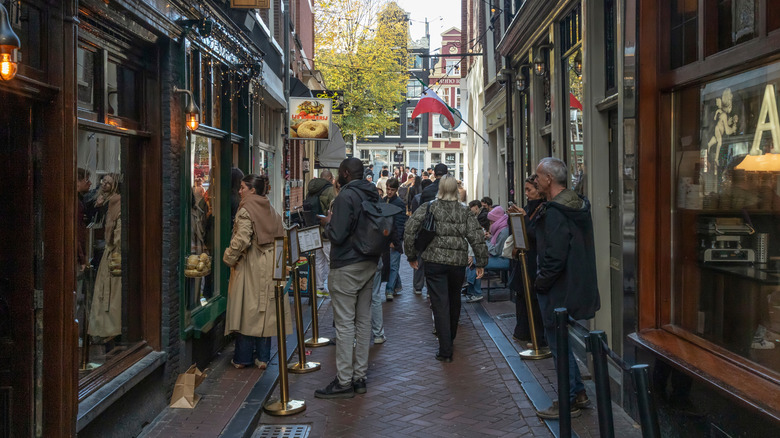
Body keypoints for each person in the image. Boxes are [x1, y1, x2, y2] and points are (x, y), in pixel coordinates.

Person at [533, 157, 600, 419]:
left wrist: (541, 283)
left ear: (549, 179)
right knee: (562, 342)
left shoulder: (556, 212)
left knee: (558, 344)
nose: (535, 180)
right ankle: (578, 393)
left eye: (538, 176)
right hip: (574, 286)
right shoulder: (577, 205)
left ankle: (568, 400)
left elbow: (554, 256)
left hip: (558, 290)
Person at [315, 157, 381, 398]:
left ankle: (344, 381)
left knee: (344, 324)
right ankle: (359, 377)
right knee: (363, 322)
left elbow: (339, 234)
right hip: (370, 261)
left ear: (344, 173)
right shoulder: (373, 194)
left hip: (347, 264)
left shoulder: (345, 197)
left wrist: (328, 224)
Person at [404, 176, 488, 362]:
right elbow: (476, 236)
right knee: (454, 299)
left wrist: (411, 255)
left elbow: (410, 229)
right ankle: (450, 337)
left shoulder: (429, 207)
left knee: (439, 303)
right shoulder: (465, 211)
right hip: (457, 263)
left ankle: (445, 348)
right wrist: (481, 261)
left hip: (434, 262)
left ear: (440, 189)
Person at [223, 174, 291, 369]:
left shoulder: (246, 209)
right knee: (267, 311)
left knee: (248, 310)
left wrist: (228, 257)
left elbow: (242, 238)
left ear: (252, 190)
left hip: (252, 263)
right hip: (272, 263)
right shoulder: (268, 206)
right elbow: (282, 232)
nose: (239, 190)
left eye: (243, 187)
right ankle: (262, 357)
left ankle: (242, 358)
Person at [508, 175, 546, 346]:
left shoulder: (543, 210)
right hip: (524, 260)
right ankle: (523, 332)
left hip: (535, 261)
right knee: (522, 296)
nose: (527, 194)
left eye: (529, 190)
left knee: (533, 299)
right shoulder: (529, 208)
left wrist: (522, 218)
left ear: (539, 191)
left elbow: (535, 234)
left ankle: (537, 337)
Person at [88, 174, 122, 341]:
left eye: (109, 182)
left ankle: (109, 330)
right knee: (105, 292)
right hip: (107, 252)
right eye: (104, 181)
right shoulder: (99, 199)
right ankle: (106, 329)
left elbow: (116, 235)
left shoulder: (115, 202)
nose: (105, 185)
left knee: (109, 294)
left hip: (112, 254)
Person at [464, 205, 512, 302]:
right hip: (499, 257)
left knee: (476, 262)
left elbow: (496, 251)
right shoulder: (500, 228)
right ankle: (471, 289)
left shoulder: (503, 231)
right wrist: (489, 237)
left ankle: (476, 292)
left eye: (491, 221)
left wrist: (485, 242)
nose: (490, 224)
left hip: (503, 260)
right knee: (473, 260)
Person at [308, 170, 337, 297]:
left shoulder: (312, 189)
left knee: (319, 260)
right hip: (326, 229)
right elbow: (334, 209)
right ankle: (332, 288)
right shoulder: (330, 190)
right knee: (331, 260)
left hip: (314, 228)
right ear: (330, 178)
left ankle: (319, 288)